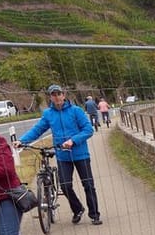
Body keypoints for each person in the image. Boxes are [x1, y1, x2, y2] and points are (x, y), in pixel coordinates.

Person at [19, 84, 102, 225]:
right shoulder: (48, 114)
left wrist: (73, 141)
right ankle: (78, 209)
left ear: (64, 95)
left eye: (59, 94)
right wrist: (22, 140)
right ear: (50, 97)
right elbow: (38, 129)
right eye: (53, 95)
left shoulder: (76, 111)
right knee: (65, 185)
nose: (56, 97)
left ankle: (94, 214)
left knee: (88, 184)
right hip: (62, 155)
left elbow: (88, 129)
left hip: (80, 154)